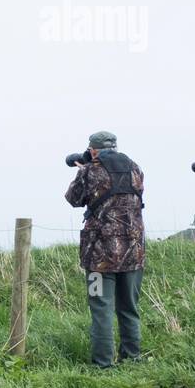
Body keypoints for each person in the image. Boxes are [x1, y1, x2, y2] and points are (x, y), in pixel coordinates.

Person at [64, 130, 146, 368]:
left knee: (101, 309)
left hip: (99, 256)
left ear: (93, 150)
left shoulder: (89, 171)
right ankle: (132, 359)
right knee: (129, 308)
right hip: (133, 251)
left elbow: (73, 199)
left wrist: (82, 170)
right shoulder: (135, 168)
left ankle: (103, 364)